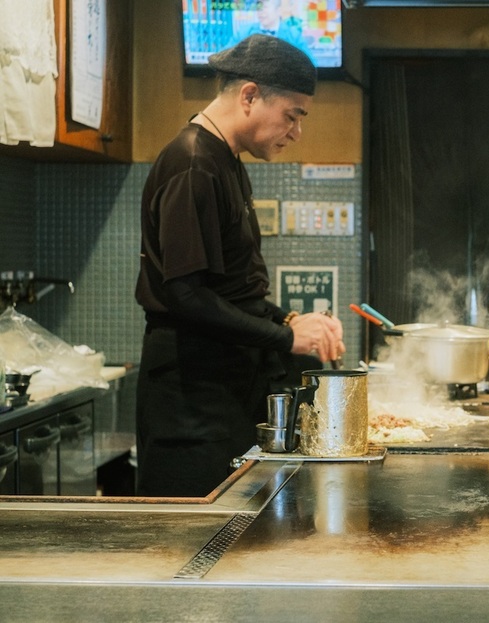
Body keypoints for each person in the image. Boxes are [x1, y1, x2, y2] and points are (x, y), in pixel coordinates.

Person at [135, 34, 345, 498]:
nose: (296, 131)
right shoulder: (193, 163)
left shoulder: (225, 160)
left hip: (222, 391)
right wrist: (288, 338)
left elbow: (233, 290)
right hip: (191, 403)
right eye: (292, 115)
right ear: (250, 95)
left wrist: (288, 319)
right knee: (191, 545)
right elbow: (185, 295)